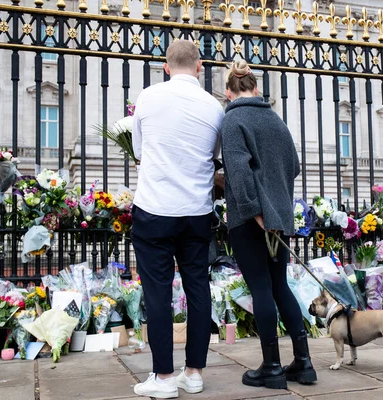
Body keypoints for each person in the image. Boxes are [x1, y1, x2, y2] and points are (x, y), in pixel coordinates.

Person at [130, 40, 224, 399]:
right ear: (199, 67)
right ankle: (195, 372)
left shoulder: (149, 97)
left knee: (158, 294)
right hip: (197, 212)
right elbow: (212, 155)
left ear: (166, 67)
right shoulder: (213, 107)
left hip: (155, 208)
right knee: (198, 289)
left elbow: (139, 150)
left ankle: (164, 376)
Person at [221, 60, 317, 389]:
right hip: (278, 217)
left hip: (250, 219)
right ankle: (304, 364)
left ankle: (272, 367)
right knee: (280, 286)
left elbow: (238, 169)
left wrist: (253, 209)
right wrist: (276, 203)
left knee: (261, 288)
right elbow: (294, 164)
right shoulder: (274, 118)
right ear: (256, 87)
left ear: (228, 91)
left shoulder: (233, 119)